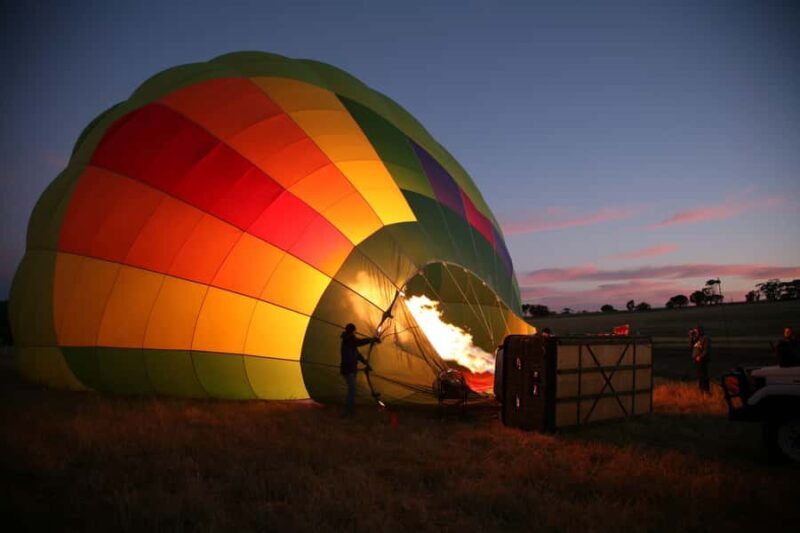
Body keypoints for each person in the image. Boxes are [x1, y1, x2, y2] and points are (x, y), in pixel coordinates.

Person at [340, 323, 379, 416]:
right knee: (352, 390)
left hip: (350, 370)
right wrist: (372, 340)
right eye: (354, 331)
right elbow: (360, 342)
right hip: (348, 370)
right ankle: (347, 412)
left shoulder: (349, 342)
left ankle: (350, 411)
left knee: (352, 390)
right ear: (352, 331)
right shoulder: (348, 340)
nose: (354, 333)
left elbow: (357, 355)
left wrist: (366, 364)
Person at [690, 325, 711, 393]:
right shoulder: (696, 339)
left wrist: (701, 356)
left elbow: (706, 350)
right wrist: (691, 336)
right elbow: (691, 346)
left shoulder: (705, 338)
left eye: (697, 331)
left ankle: (705, 390)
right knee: (699, 376)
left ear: (701, 331)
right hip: (696, 359)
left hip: (702, 359)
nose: (696, 333)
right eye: (695, 331)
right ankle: (701, 390)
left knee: (703, 375)